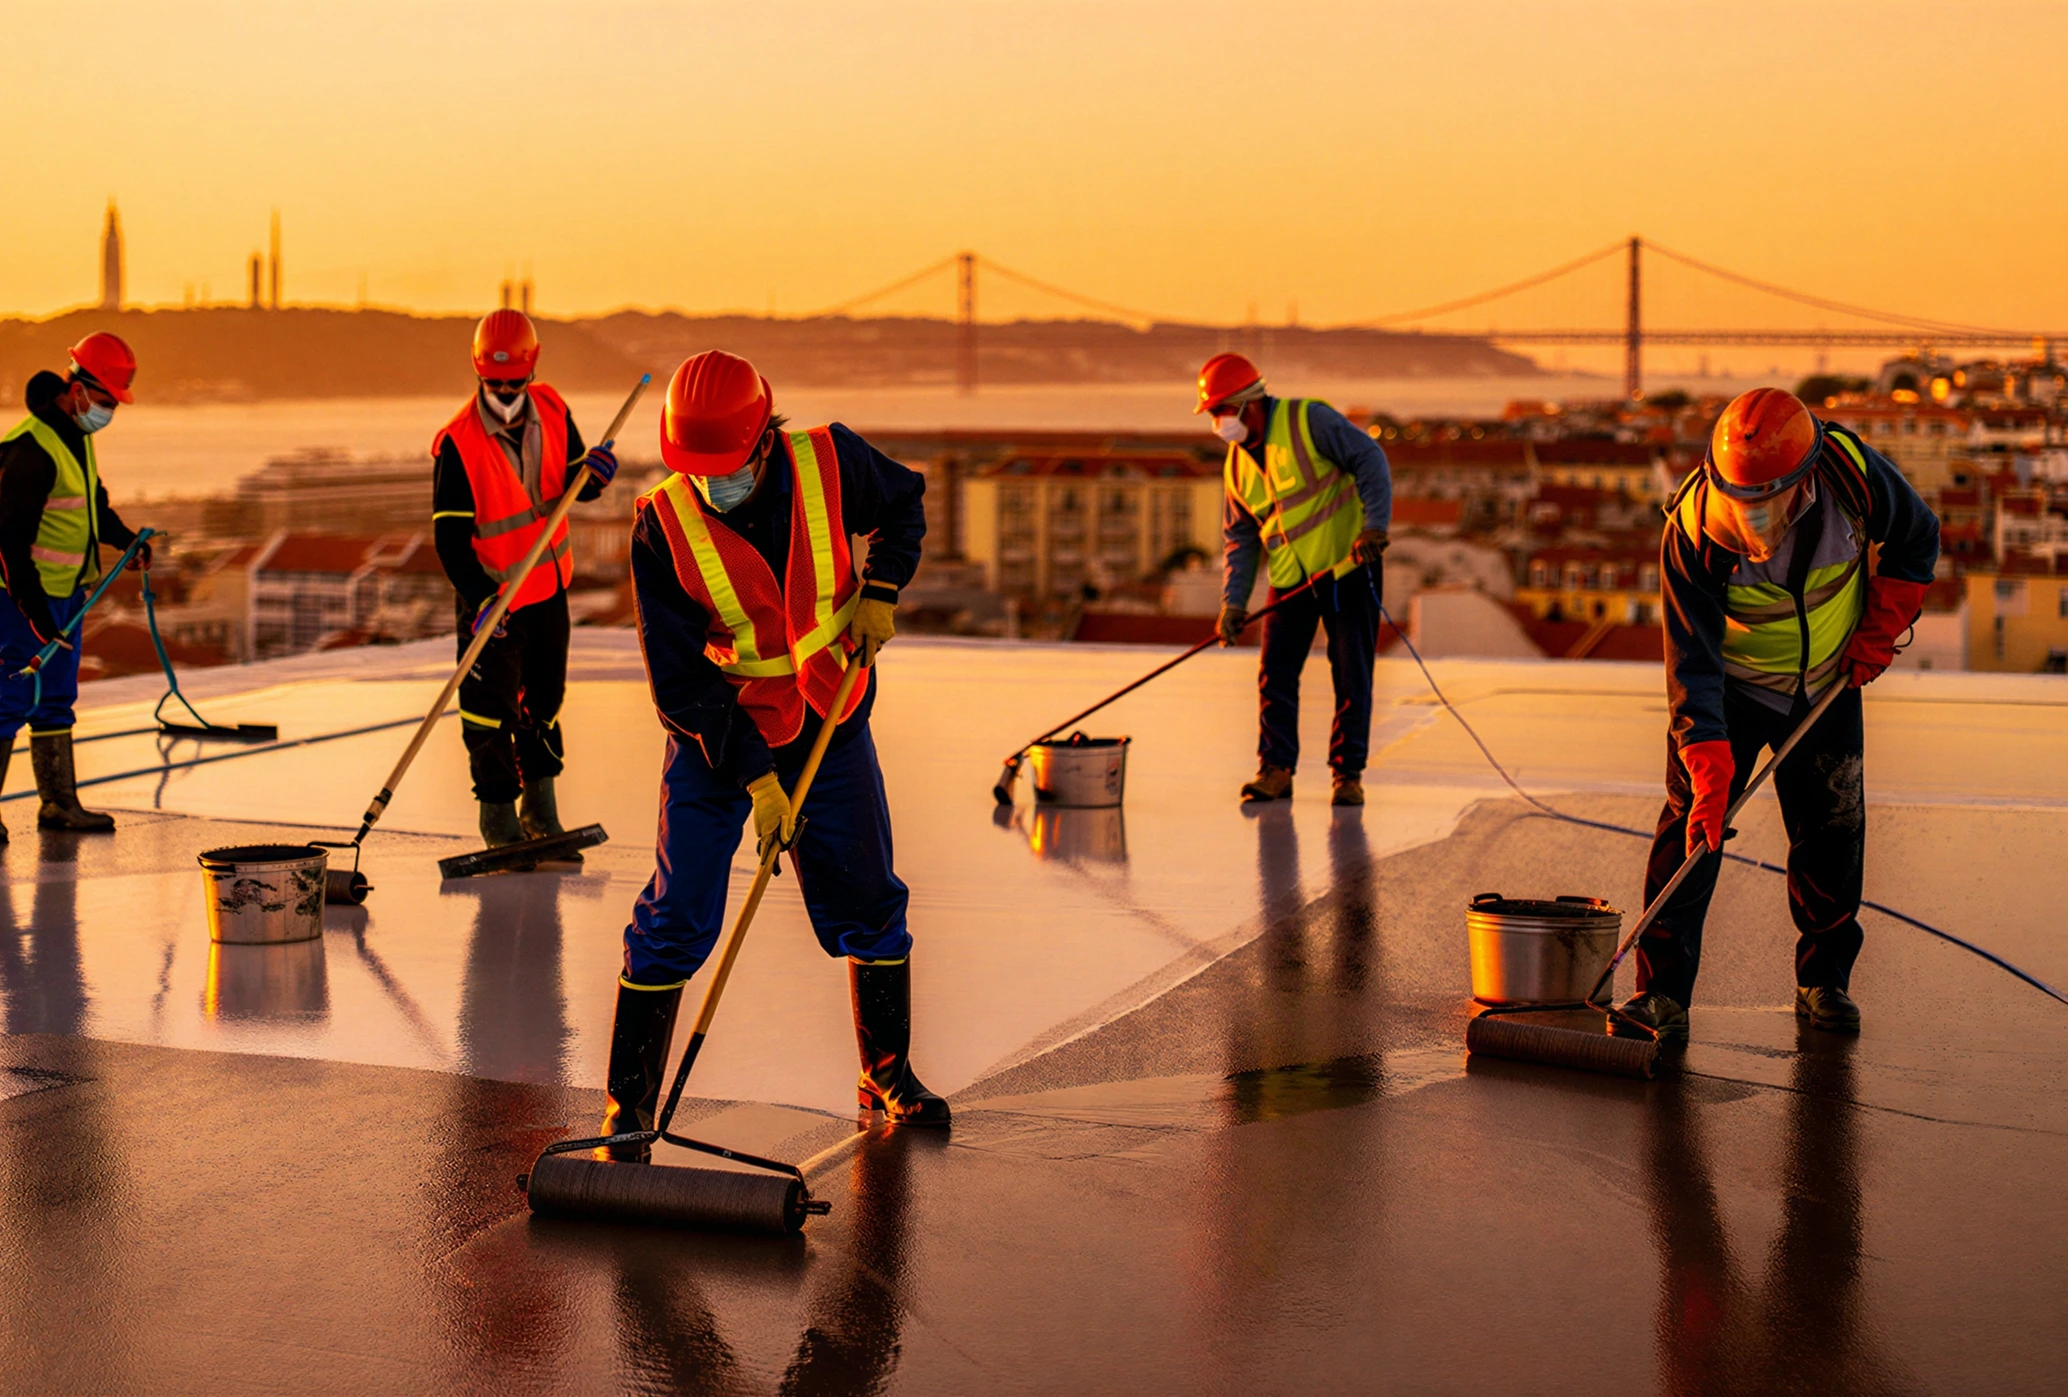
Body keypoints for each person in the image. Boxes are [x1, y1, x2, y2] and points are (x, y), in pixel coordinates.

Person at [598, 349, 943, 1155]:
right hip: (719, 734)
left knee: (868, 897)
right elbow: (679, 682)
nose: (710, 486)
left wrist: (882, 590)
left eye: (725, 469)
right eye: (696, 471)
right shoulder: (663, 521)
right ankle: (629, 1105)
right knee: (676, 914)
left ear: (763, 441)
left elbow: (907, 506)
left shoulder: (832, 460)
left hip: (830, 710)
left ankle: (886, 1072)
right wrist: (757, 778)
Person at [1624, 387, 1938, 1044]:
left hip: (1827, 686)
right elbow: (1691, 660)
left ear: (1805, 478)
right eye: (1741, 502)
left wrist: (1879, 630)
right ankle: (1659, 992)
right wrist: (1707, 759)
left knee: (1833, 833)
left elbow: (1917, 535)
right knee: (1691, 832)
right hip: (1732, 696)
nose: (1752, 518)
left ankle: (1824, 979)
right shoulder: (1691, 532)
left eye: (1766, 501)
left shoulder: (1852, 474)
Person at [431, 309, 618, 853]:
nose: (507, 392)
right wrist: (482, 599)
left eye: (516, 383)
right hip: (492, 597)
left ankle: (541, 808)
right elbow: (449, 541)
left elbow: (572, 485)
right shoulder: (458, 445)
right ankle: (498, 816)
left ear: (532, 372)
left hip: (548, 590)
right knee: (487, 708)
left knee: (546, 700)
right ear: (479, 374)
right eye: (496, 383)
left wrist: (595, 477)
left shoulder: (556, 409)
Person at [1203, 352, 1393, 806]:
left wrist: (1375, 527)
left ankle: (1347, 776)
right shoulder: (1235, 466)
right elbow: (1241, 539)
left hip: (1347, 566)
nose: (1216, 421)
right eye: (1211, 413)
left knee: (1351, 676)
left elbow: (1371, 461)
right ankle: (1275, 770)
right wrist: (1233, 604)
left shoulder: (1310, 420)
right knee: (1276, 675)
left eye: (1220, 410)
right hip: (1291, 580)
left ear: (1248, 403)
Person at [0, 333, 148, 837]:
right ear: (77, 388)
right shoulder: (29, 448)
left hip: (66, 597)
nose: (108, 412)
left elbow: (94, 507)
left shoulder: (76, 441)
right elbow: (7, 539)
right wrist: (31, 606)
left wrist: (128, 541)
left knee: (57, 699)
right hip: (20, 599)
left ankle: (59, 804)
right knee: (7, 700)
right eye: (105, 401)